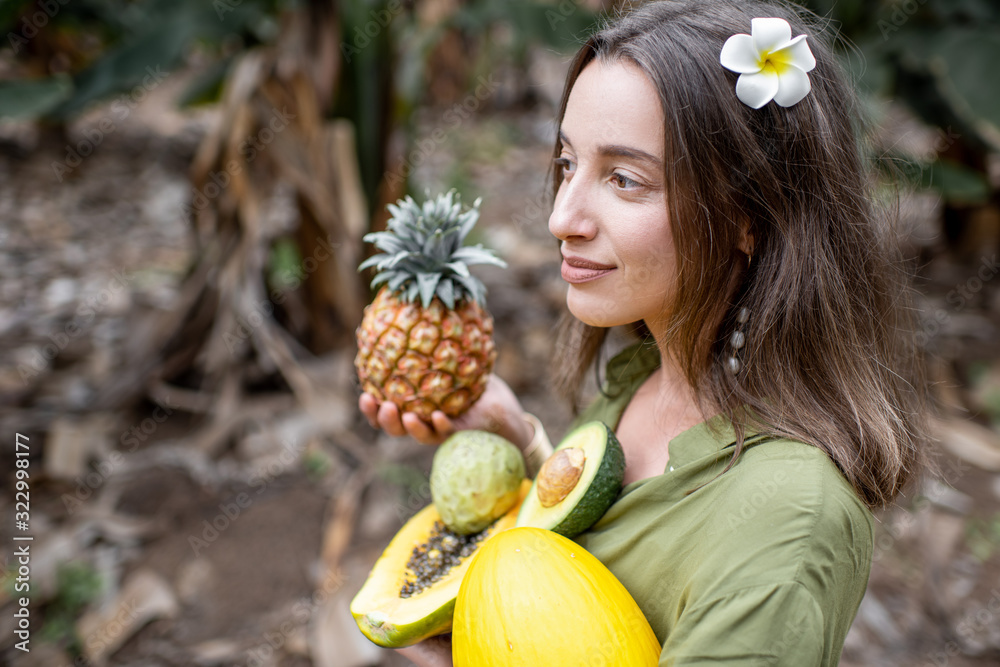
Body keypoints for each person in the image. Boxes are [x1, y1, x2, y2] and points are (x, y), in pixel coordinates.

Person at [360, 0, 928, 664]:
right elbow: (618, 576)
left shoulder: (788, 523)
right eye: (568, 163)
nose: (561, 217)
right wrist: (524, 446)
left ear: (749, 217)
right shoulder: (650, 379)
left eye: (624, 179)